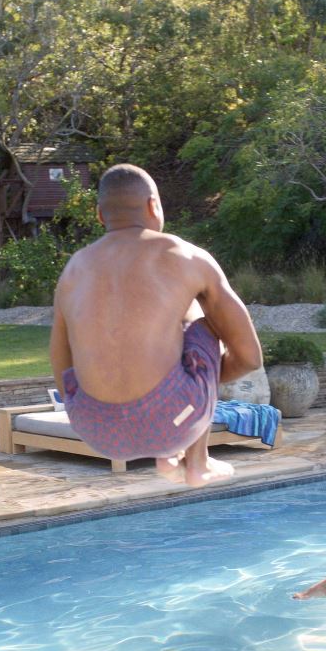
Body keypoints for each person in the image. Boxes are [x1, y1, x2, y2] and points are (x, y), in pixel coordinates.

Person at [50, 163, 263, 487]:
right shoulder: (185, 256)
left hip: (94, 429)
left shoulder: (73, 270)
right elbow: (249, 357)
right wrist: (201, 381)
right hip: (175, 418)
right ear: (153, 205)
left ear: (99, 215)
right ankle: (197, 462)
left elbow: (61, 362)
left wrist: (82, 405)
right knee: (200, 319)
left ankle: (171, 449)